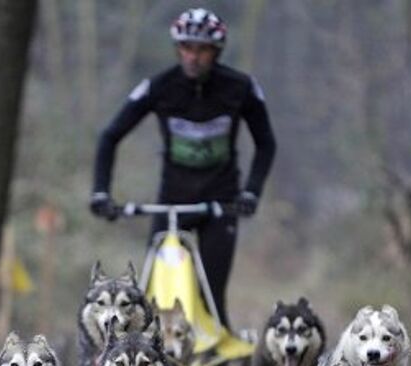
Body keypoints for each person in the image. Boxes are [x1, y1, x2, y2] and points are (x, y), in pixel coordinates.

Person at [90, 7, 276, 329]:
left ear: (216, 52)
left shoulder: (240, 87)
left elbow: (266, 143)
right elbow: (109, 137)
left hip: (220, 201)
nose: (193, 57)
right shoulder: (158, 87)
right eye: (186, 48)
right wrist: (101, 191)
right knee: (152, 291)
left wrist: (252, 192)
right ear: (178, 49)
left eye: (202, 49)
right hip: (172, 199)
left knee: (211, 292)